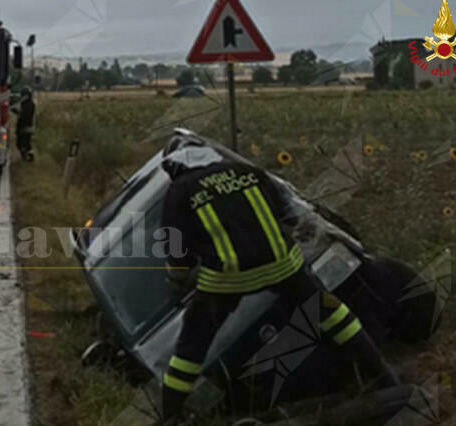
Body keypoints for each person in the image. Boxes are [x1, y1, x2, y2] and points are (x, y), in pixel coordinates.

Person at [158, 135, 399, 423]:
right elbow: (289, 214)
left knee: (191, 348)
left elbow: (175, 252)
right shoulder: (248, 173)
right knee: (333, 314)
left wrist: (180, 280)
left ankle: (171, 416)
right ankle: (383, 377)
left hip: (225, 279)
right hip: (283, 266)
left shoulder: (178, 193)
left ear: (174, 165)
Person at [11, 86, 35, 162]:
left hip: (25, 127)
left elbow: (24, 114)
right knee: (24, 144)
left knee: (23, 144)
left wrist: (17, 112)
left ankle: (27, 158)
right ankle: (27, 158)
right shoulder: (26, 103)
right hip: (24, 127)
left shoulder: (29, 104)